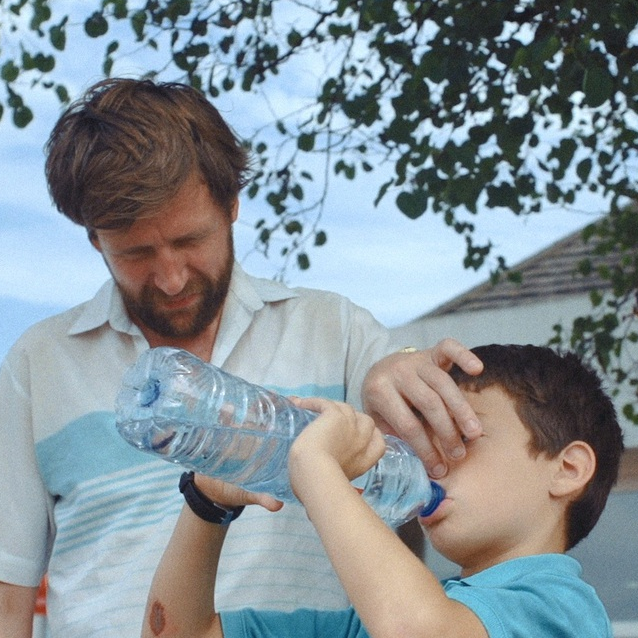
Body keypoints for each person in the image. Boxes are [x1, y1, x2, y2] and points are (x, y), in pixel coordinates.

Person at [0, 77, 484, 638]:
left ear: (231, 204)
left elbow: (431, 506)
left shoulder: (337, 331)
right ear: (93, 239)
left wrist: (397, 376)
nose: (171, 277)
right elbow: (9, 594)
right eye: (136, 253)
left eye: (189, 241)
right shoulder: (38, 364)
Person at [142, 343, 623, 638]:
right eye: (420, 443)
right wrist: (207, 503)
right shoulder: (367, 621)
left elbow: (418, 631)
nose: (429, 462)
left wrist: (317, 466)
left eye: (458, 437)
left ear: (568, 469)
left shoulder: (561, 608)